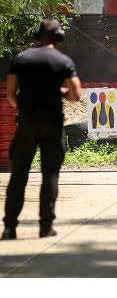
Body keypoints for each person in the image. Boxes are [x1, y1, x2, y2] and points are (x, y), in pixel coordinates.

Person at [1, 19, 81, 240]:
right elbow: (76, 93)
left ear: (38, 35)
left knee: (18, 175)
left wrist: (26, 108)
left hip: (26, 123)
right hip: (52, 124)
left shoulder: (21, 58)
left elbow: (10, 94)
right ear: (58, 37)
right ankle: (46, 227)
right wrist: (62, 92)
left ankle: (9, 228)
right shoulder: (63, 61)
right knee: (50, 175)